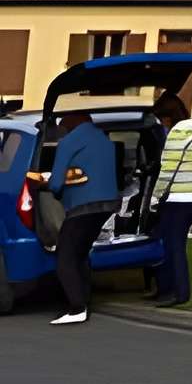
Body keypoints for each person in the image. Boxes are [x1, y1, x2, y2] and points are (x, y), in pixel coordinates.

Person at [39, 109, 121, 326]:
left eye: (63, 119)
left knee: (65, 256)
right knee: (80, 252)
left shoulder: (69, 142)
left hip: (83, 205)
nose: (61, 123)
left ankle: (77, 308)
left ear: (73, 119)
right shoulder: (103, 139)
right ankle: (84, 300)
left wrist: (44, 184)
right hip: (108, 204)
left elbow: (56, 183)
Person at [145, 91, 192, 308]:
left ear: (168, 117)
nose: (162, 124)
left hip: (181, 197)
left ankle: (178, 293)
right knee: (168, 238)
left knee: (173, 243)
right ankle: (165, 288)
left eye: (162, 119)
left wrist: (154, 199)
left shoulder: (176, 134)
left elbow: (168, 170)